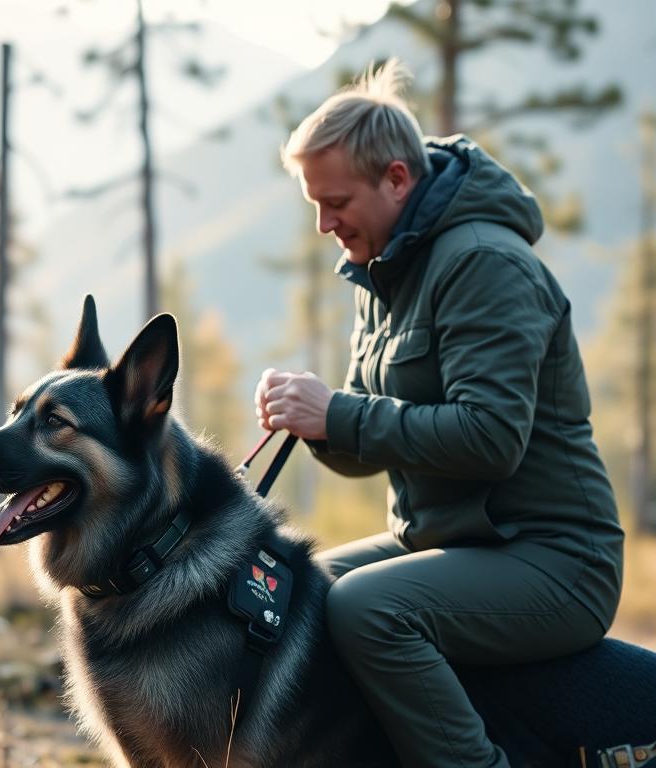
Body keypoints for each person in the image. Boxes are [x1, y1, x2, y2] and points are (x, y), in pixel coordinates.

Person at [253, 59, 624, 767]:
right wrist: (312, 416)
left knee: (368, 611)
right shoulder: (385, 267)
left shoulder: (485, 262)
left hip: (553, 560)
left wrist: (338, 413)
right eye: (315, 207)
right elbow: (366, 449)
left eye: (336, 203)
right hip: (447, 543)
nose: (325, 225)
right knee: (294, 589)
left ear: (397, 179)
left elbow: (489, 440)